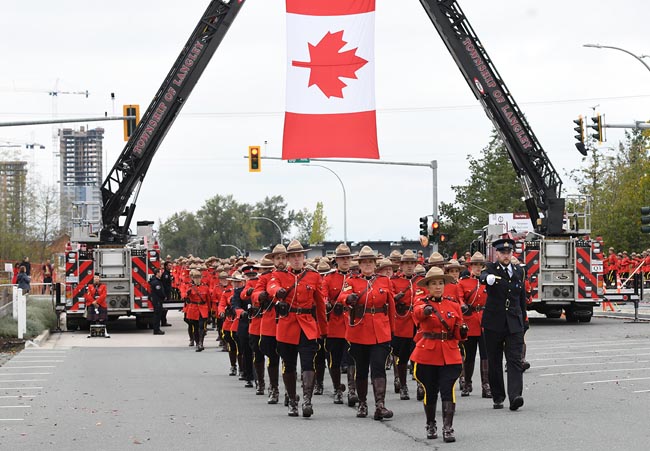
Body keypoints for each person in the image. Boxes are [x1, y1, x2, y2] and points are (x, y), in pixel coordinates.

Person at [267, 240, 327, 418]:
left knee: (308, 363)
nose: (296, 260)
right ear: (287, 259)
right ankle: (293, 400)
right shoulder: (279, 275)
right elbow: (272, 286)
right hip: (287, 325)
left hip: (307, 325)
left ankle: (307, 400)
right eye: (292, 256)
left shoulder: (313, 276)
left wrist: (324, 330)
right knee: (289, 365)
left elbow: (321, 304)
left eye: (299, 256)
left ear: (304, 257)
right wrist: (278, 292)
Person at [338, 245, 396, 421]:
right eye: (365, 262)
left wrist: (391, 331)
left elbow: (391, 307)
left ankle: (380, 405)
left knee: (378, 366)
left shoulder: (384, 281)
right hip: (359, 330)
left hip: (380, 329)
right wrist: (348, 299)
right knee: (361, 368)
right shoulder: (352, 281)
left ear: (375, 264)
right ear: (360, 265)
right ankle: (362, 403)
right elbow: (342, 296)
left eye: (371, 262)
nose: (368, 265)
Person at [411, 266, 467, 442]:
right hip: (428, 352)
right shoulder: (421, 302)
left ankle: (448, 428)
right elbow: (417, 313)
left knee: (447, 390)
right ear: (427, 287)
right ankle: (431, 423)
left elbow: (458, 332)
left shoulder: (453, 305)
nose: (437, 287)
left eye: (440, 283)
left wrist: (463, 331)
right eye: (434, 283)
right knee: (430, 391)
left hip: (449, 352)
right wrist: (426, 311)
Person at [480, 238, 528, 411]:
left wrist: (524, 319)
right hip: (494, 321)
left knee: (515, 360)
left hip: (514, 321)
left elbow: (521, 296)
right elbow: (482, 277)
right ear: (497, 254)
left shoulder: (519, 271)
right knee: (494, 360)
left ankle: (515, 396)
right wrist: (488, 279)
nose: (506, 255)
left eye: (508, 252)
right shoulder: (491, 268)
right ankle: (498, 396)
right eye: (502, 253)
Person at [321, 243, 356, 405]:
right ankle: (337, 389)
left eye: (348, 258)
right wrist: (327, 304)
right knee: (334, 359)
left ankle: (352, 389)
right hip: (334, 325)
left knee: (351, 358)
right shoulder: (329, 278)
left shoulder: (356, 277)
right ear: (337, 260)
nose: (345, 261)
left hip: (351, 322)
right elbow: (323, 296)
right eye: (342, 258)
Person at [252, 244, 288, 405]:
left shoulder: (292, 276)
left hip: (287, 322)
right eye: (278, 258)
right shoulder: (265, 277)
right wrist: (261, 295)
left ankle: (289, 391)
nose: (281, 261)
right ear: (273, 260)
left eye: (283, 257)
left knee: (288, 359)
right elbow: (254, 294)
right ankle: (274, 388)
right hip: (270, 322)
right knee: (272, 357)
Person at [457, 252, 490, 398]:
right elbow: (459, 298)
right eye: (475, 265)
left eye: (480, 265)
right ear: (470, 266)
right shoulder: (463, 282)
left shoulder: (488, 281)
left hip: (484, 320)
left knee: (485, 355)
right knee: (468, 355)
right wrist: (463, 305)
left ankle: (486, 385)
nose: (477, 268)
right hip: (469, 320)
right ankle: (467, 383)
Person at [390, 249, 422, 401]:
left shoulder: (420, 280)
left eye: (412, 263)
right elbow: (389, 300)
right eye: (407, 263)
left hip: (417, 322)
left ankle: (420, 385)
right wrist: (396, 298)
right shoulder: (395, 281)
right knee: (402, 357)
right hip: (402, 322)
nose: (409, 266)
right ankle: (403, 386)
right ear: (401, 265)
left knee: (418, 356)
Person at [185, 268, 210, 352]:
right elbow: (185, 298)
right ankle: (197, 342)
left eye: (198, 277)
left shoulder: (205, 287)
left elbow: (208, 300)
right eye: (195, 277)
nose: (197, 279)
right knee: (195, 328)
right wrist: (187, 294)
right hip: (193, 309)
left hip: (203, 309)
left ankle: (201, 343)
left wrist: (210, 311)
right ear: (192, 278)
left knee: (201, 326)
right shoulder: (190, 287)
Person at [149, 268, 166, 335]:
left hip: (157, 300)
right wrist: (164, 296)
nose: (161, 274)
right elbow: (159, 292)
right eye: (160, 272)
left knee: (157, 315)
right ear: (157, 273)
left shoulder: (156, 281)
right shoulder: (156, 282)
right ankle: (156, 330)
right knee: (157, 316)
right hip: (157, 301)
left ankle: (157, 329)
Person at [160, 261, 173, 326]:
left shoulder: (168, 273)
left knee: (166, 308)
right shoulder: (165, 275)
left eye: (171, 265)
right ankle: (163, 321)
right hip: (166, 293)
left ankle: (164, 321)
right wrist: (165, 295)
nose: (170, 267)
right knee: (165, 308)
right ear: (166, 266)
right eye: (169, 265)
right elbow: (164, 285)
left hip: (167, 292)